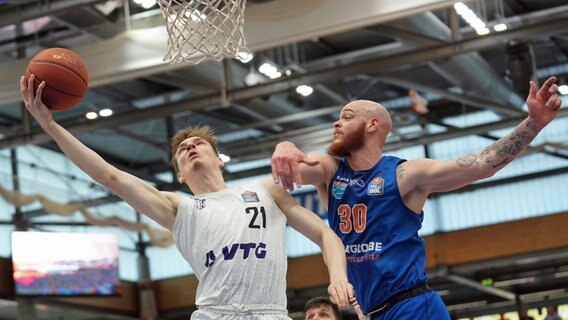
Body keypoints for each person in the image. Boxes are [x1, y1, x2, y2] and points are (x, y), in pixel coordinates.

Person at [20, 75, 355, 320]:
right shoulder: (178, 207)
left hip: (271, 313)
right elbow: (110, 176)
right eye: (181, 150)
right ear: (180, 174)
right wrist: (50, 126)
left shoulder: (266, 191)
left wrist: (338, 276)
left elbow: (327, 234)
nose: (190, 147)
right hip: (215, 314)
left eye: (198, 144)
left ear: (218, 158)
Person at [271, 76, 563, 319]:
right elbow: (294, 169)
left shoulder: (404, 175)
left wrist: (533, 124)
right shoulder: (331, 170)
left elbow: (480, 164)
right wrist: (284, 146)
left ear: (372, 125)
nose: (337, 124)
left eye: (347, 117)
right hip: (375, 311)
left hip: (411, 305)